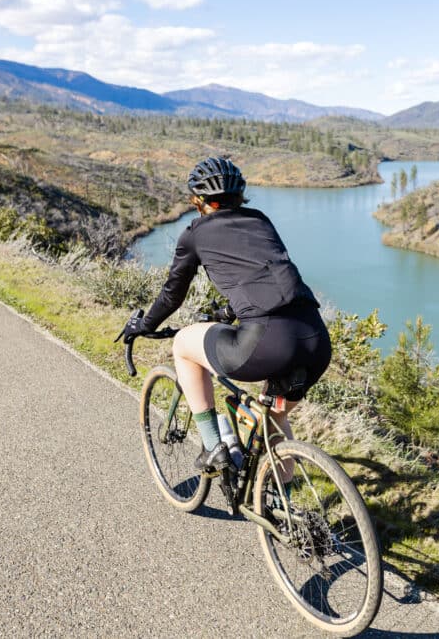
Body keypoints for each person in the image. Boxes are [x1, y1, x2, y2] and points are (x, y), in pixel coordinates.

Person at [119, 157, 331, 472]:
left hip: (265, 342)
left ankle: (213, 446)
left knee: (183, 346)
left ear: (199, 201)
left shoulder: (195, 234)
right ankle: (286, 513)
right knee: (275, 419)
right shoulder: (260, 220)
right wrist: (229, 311)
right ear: (239, 196)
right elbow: (267, 274)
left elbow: (172, 294)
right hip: (315, 339)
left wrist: (143, 325)